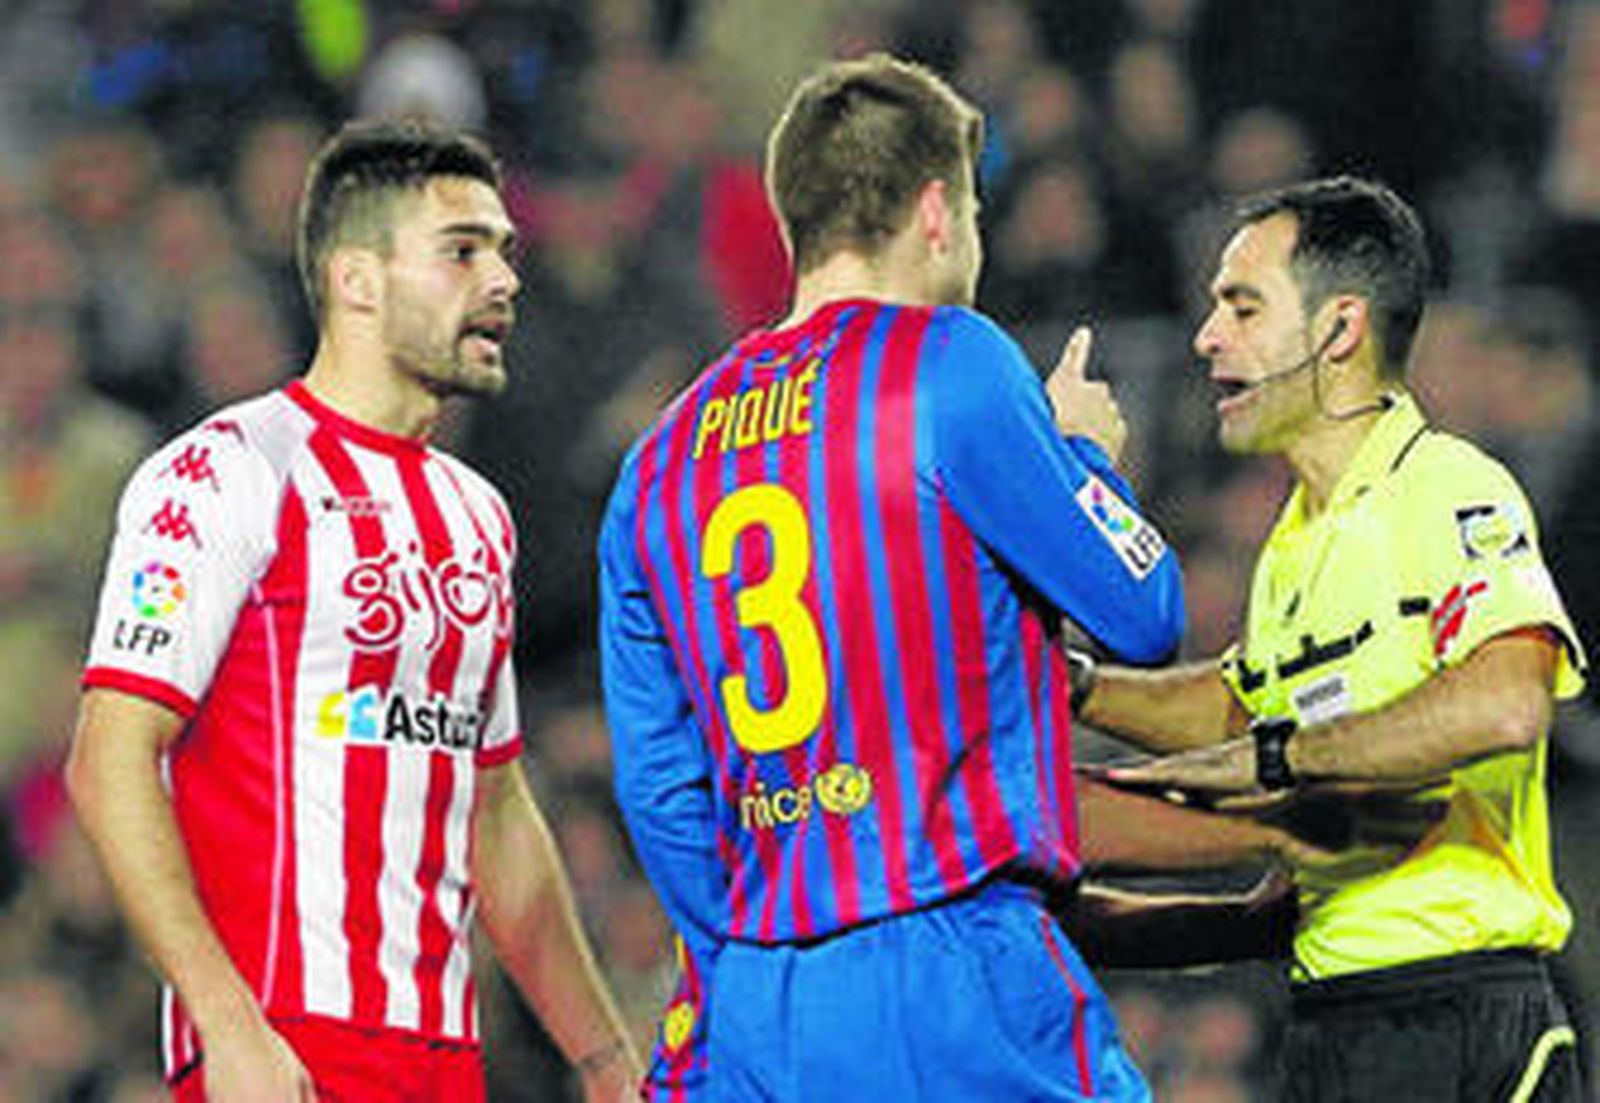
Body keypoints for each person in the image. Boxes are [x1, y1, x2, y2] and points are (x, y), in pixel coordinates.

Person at [598, 53, 1323, 1102]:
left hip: (755, 990)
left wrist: (755, 962)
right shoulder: (950, 363)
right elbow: (1144, 611)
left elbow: (661, 793)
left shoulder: (658, 462)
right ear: (938, 210)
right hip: (947, 969)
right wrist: (1081, 454)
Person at [66, 119, 642, 1102]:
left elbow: (494, 810)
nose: (502, 280)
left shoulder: (477, 514)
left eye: (503, 250)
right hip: (283, 1048)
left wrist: (600, 1052)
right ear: (356, 279)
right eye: (462, 250)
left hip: (445, 1057)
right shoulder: (227, 469)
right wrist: (225, 1017)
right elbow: (108, 755)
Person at [1084, 176, 1588, 1101]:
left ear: (1338, 329)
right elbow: (1235, 709)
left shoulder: (1443, 486)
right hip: (1333, 1026)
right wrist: (1069, 687)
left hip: (1460, 1019)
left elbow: (1512, 699)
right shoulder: (1293, 544)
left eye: (1241, 305)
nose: (1206, 336)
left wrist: (1278, 756)